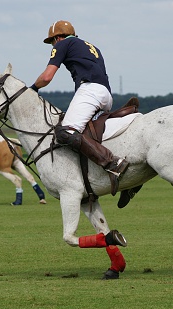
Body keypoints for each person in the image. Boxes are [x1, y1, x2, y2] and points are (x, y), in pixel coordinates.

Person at [30, 20, 131, 201]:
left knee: (66, 132)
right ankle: (128, 182)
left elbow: (47, 77)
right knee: (89, 134)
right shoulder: (91, 46)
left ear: (58, 37)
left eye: (52, 41)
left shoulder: (63, 44)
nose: (53, 45)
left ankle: (112, 163)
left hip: (90, 91)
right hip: (106, 94)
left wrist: (33, 89)